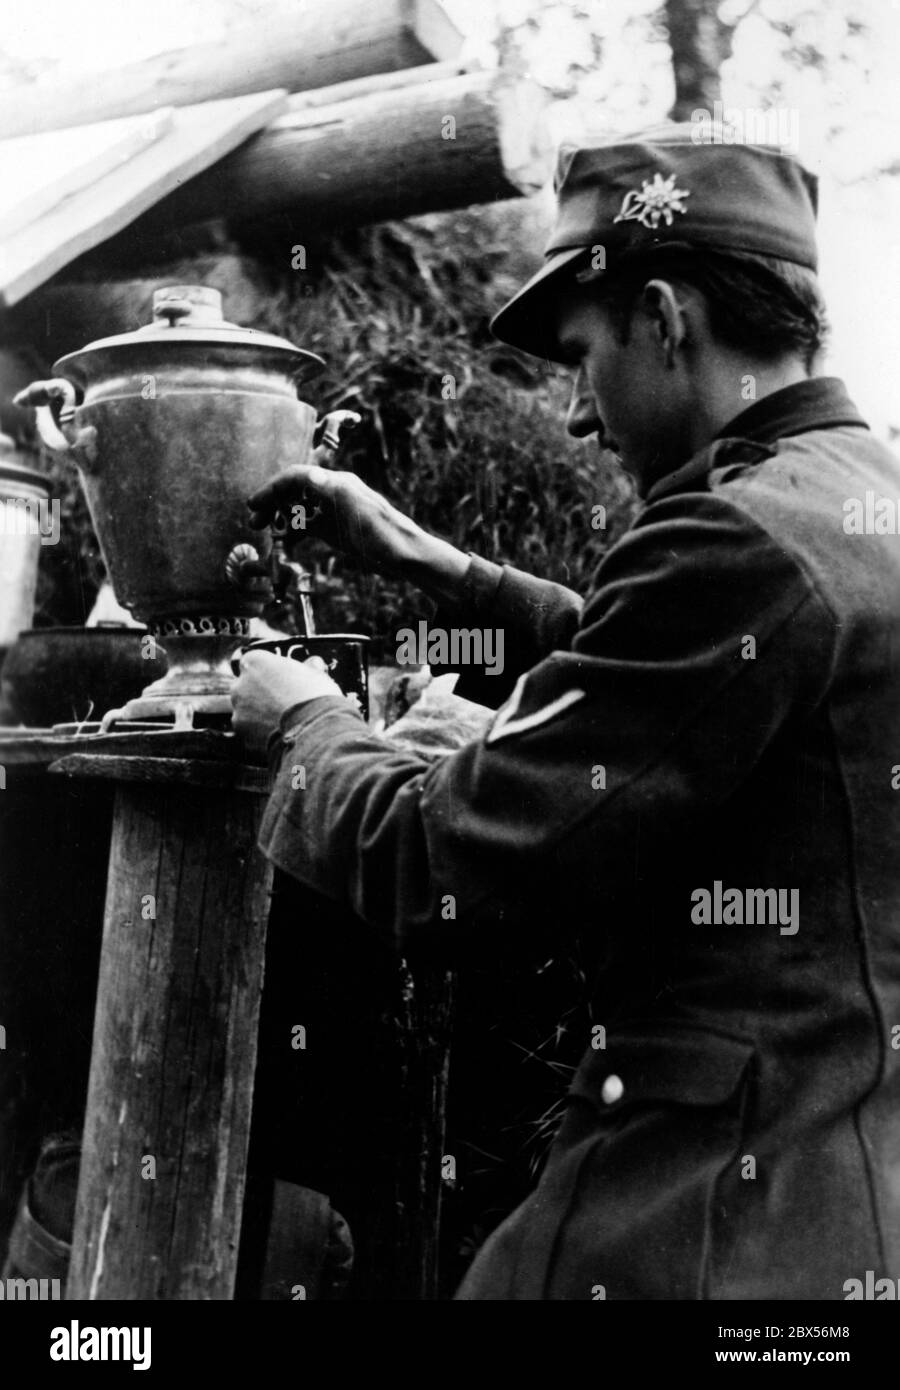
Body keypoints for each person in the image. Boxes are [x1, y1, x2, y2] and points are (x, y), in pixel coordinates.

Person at [231, 123, 900, 1300]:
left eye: (583, 358)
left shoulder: (731, 539)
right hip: (849, 1187)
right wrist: (448, 569)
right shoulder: (855, 502)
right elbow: (703, 679)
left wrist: (306, 724)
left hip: (700, 1220)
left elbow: (439, 863)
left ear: (663, 317)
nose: (581, 421)